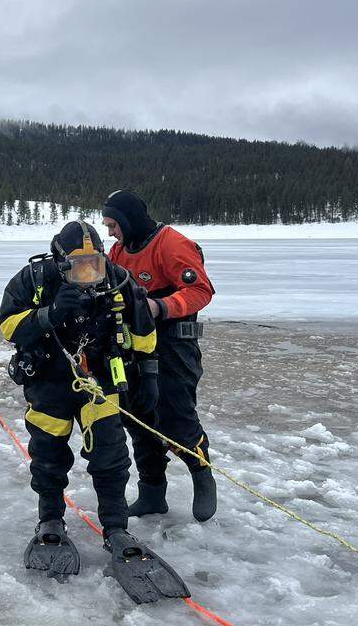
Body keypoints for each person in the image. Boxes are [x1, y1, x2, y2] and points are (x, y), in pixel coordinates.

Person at [0, 221, 187, 603]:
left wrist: (149, 375)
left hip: (99, 382)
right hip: (49, 383)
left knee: (111, 457)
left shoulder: (118, 280)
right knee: (48, 457)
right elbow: (7, 326)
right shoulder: (33, 279)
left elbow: (143, 332)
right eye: (78, 265)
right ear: (59, 261)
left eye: (94, 264)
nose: (88, 274)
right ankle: (50, 520)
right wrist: (48, 315)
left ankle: (116, 529)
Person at [102, 189, 217, 522]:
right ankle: (152, 492)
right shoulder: (119, 251)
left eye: (113, 224)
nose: (110, 232)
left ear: (128, 220)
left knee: (175, 414)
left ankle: (202, 473)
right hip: (133, 346)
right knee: (138, 417)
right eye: (107, 226)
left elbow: (200, 290)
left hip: (173, 346)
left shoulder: (172, 244)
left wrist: (160, 306)